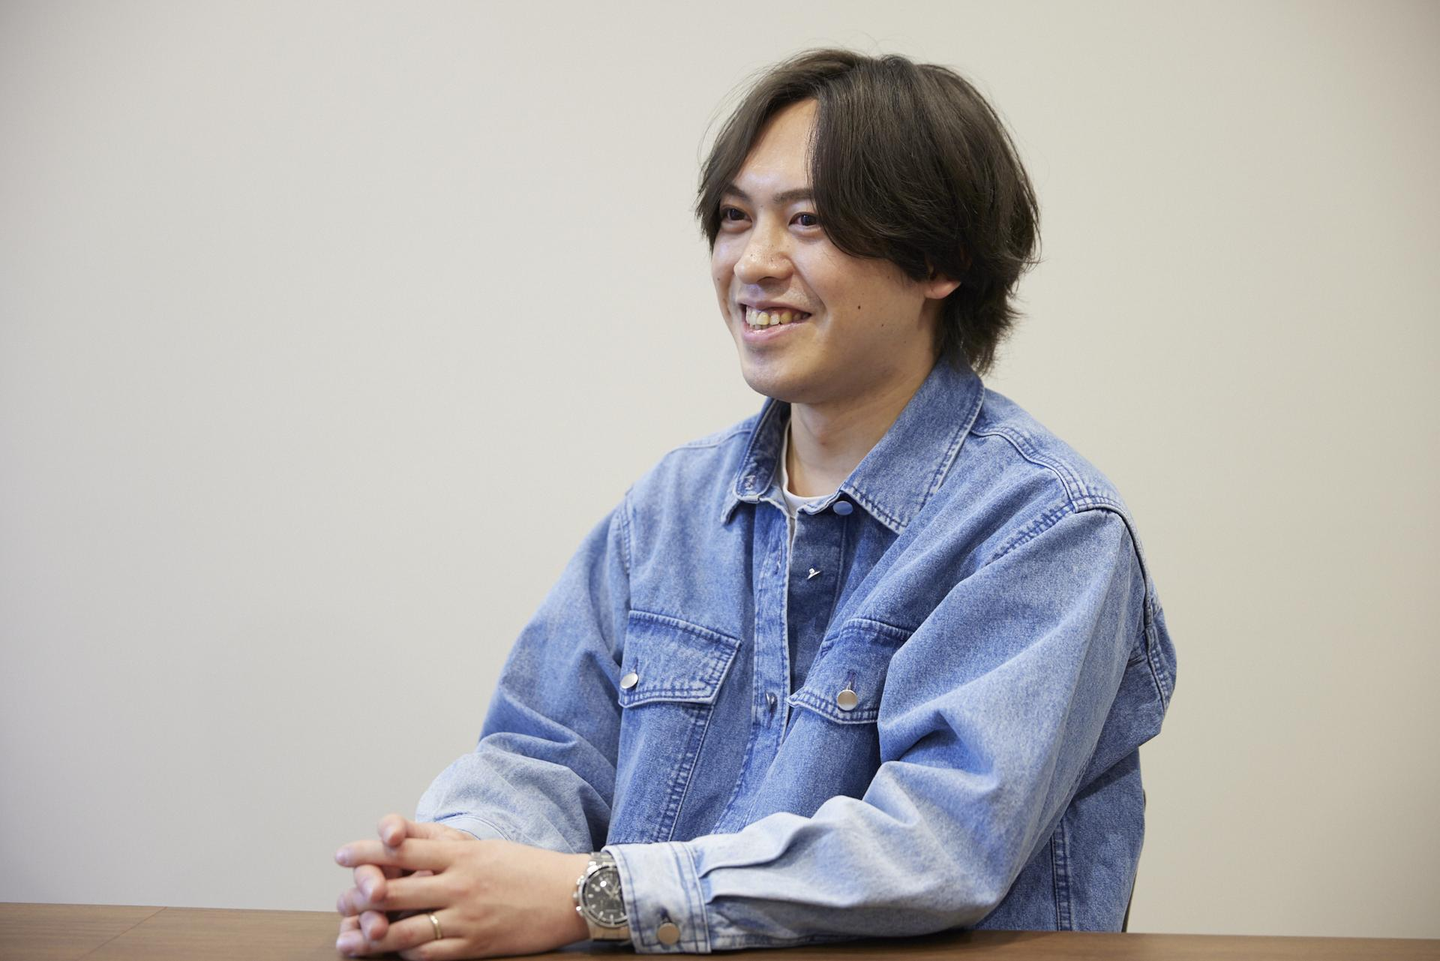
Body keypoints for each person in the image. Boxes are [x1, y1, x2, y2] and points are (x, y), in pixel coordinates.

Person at [332, 48, 1177, 959]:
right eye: (736, 218)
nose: (753, 262)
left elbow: (938, 844)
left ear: (939, 259)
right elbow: (538, 755)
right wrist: (443, 871)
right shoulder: (670, 506)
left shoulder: (1048, 526)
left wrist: (593, 896)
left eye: (808, 221)